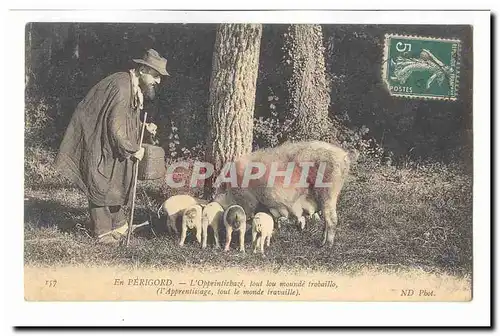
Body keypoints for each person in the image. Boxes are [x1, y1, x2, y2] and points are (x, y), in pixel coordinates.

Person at [54, 49, 170, 245]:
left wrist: (142, 126)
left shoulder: (130, 84)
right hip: (93, 134)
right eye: (156, 76)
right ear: (142, 69)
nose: (158, 81)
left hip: (107, 135)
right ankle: (102, 231)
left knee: (118, 174)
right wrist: (133, 149)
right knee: (100, 178)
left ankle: (119, 224)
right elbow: (115, 126)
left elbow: (123, 119)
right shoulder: (122, 87)